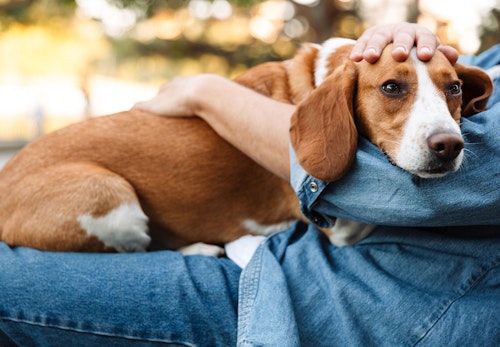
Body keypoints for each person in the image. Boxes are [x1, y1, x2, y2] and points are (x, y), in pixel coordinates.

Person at [0, 22, 499, 346]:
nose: (449, 134)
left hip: (290, 295)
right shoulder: (331, 95)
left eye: (452, 91)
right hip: (68, 199)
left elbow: (353, 212)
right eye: (393, 89)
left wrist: (205, 91)